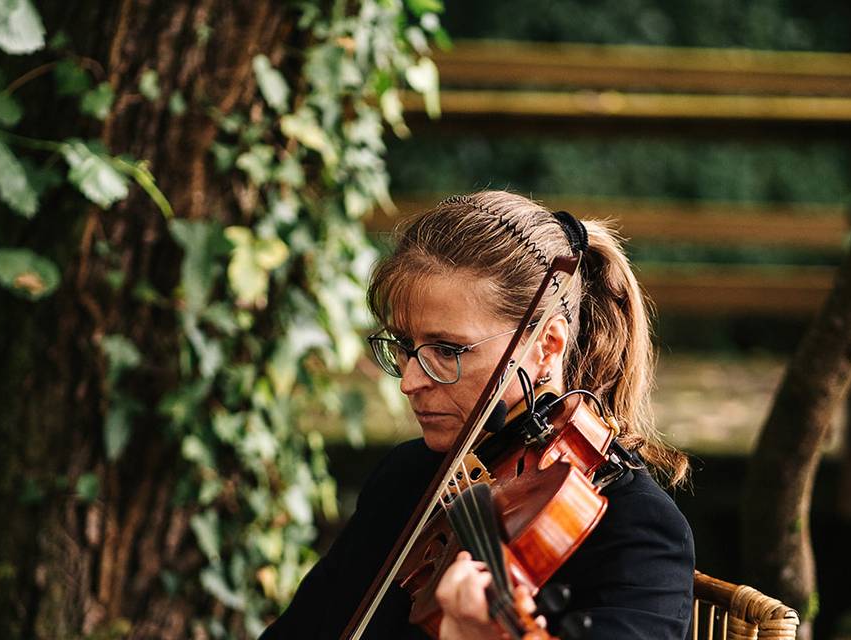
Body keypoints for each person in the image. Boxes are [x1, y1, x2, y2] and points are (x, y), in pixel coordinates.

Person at [259, 191, 695, 639]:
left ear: (548, 346)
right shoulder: (410, 475)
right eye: (406, 347)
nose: (410, 382)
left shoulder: (635, 531)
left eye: (447, 351)